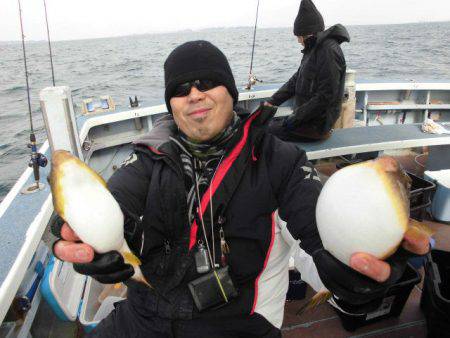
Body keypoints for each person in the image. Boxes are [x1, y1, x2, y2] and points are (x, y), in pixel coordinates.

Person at [52, 40, 429, 337]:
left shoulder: (280, 162)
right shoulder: (148, 159)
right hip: (142, 319)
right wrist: (71, 226)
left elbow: (319, 232)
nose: (194, 94)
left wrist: (353, 269)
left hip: (240, 326)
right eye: (181, 89)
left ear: (231, 91)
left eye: (207, 82)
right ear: (171, 105)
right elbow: (111, 201)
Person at [266, 0, 350, 142]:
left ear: (307, 34)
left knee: (263, 132)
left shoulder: (328, 51)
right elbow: (296, 79)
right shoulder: (313, 49)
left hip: (316, 127)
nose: (298, 41)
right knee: (266, 127)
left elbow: (325, 96)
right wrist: (273, 101)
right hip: (306, 121)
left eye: (299, 36)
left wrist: (294, 119)